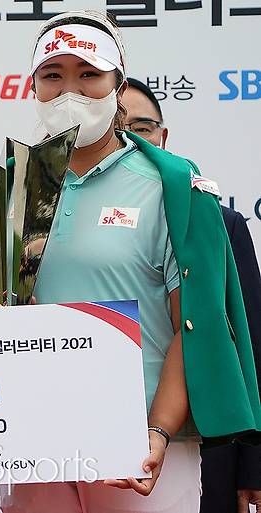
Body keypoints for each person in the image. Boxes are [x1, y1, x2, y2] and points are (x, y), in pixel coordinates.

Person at [0, 10, 261, 513]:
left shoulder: (171, 186)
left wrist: (157, 432)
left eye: (88, 74)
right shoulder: (8, 189)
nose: (70, 91)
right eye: (53, 75)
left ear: (118, 84)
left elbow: (193, 323)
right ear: (33, 86)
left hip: (139, 448)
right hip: (34, 440)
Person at [123, 77, 261, 513]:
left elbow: (249, 343)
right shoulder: (55, 225)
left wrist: (253, 464)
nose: (129, 137)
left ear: (163, 137)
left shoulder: (217, 221)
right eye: (118, 126)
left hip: (201, 446)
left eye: (142, 127)